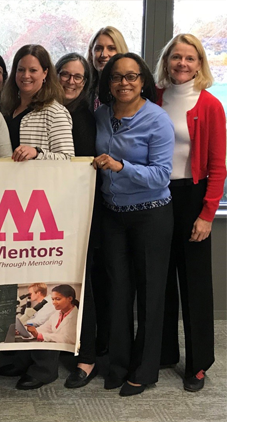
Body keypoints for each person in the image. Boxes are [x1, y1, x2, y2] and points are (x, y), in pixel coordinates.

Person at [92, 53, 175, 397]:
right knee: (118, 293)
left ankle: (145, 369)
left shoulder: (157, 120)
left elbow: (161, 174)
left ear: (142, 81)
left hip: (150, 216)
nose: (123, 83)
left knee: (150, 294)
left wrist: (120, 166)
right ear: (108, 83)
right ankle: (118, 364)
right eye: (116, 77)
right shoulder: (100, 115)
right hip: (113, 215)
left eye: (131, 76)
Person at [153, 33, 226, 393]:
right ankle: (164, 352)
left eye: (190, 58)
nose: (182, 64)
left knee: (194, 283)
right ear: (167, 61)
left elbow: (217, 166)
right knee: (160, 279)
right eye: (176, 57)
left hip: (192, 198)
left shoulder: (210, 105)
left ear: (200, 63)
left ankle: (198, 364)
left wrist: (208, 214)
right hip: (156, 195)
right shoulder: (153, 98)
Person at [54, 53, 105, 389]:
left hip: (84, 212)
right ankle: (62, 348)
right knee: (60, 284)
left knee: (84, 285)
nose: (71, 82)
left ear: (87, 83)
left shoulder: (88, 117)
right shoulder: (47, 112)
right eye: (65, 75)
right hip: (52, 213)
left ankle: (87, 358)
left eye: (79, 77)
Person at [0, 44, 74, 162]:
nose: (26, 75)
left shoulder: (56, 113)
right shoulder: (7, 108)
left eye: (33, 70)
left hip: (38, 180)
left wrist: (36, 153)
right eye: (21, 70)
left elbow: (68, 159)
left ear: (45, 73)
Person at [0, 283, 62, 390]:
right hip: (39, 326)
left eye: (31, 293)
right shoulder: (40, 303)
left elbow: (40, 321)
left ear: (38, 292)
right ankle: (24, 363)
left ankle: (43, 371)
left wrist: (23, 324)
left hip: (49, 330)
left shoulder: (50, 303)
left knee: (38, 332)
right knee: (24, 333)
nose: (28, 295)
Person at [86, 26, 129, 109]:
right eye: (98, 49)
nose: (104, 54)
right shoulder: (83, 86)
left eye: (111, 48)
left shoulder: (128, 87)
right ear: (91, 53)